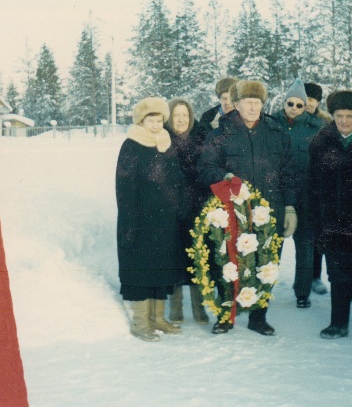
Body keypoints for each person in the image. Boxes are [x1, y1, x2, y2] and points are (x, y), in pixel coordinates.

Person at [199, 80, 298, 335]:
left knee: (266, 264)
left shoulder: (277, 133)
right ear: (237, 104)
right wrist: (227, 176)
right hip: (233, 212)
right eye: (248, 102)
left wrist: (290, 208)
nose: (253, 108)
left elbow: (289, 173)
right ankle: (226, 315)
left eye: (258, 103)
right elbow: (205, 169)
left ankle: (258, 316)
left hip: (270, 211)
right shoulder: (220, 134)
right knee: (229, 263)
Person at [309, 91, 352, 342]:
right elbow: (312, 183)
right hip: (332, 220)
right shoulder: (321, 140)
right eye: (339, 116)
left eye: (350, 116)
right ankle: (338, 323)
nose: (344, 121)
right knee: (337, 273)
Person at [116, 97, 186, 342]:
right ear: (141, 121)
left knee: (161, 268)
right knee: (142, 270)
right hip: (139, 220)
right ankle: (141, 322)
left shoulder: (167, 144)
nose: (156, 125)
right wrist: (129, 221)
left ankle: (158, 318)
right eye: (151, 120)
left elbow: (176, 181)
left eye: (159, 120)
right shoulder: (131, 145)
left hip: (164, 221)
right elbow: (124, 187)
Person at [274, 79, 325, 308]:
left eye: (299, 105)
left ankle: (302, 292)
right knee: (273, 244)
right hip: (277, 194)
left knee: (305, 246)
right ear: (284, 103)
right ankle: (265, 288)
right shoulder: (271, 125)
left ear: (306, 106)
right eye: (290, 103)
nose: (294, 108)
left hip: (306, 196)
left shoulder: (317, 129)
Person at [165, 97, 210, 325]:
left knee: (197, 255)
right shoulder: (161, 139)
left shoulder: (202, 138)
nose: (181, 120)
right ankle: (175, 305)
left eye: (185, 115)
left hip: (196, 205)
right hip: (171, 207)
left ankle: (198, 305)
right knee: (174, 256)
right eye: (176, 115)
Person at [304, 81, 331, 296]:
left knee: (317, 237)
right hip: (298, 183)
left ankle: (314, 276)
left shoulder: (326, 124)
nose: (307, 103)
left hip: (319, 187)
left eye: (312, 100)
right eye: (305, 99)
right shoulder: (292, 120)